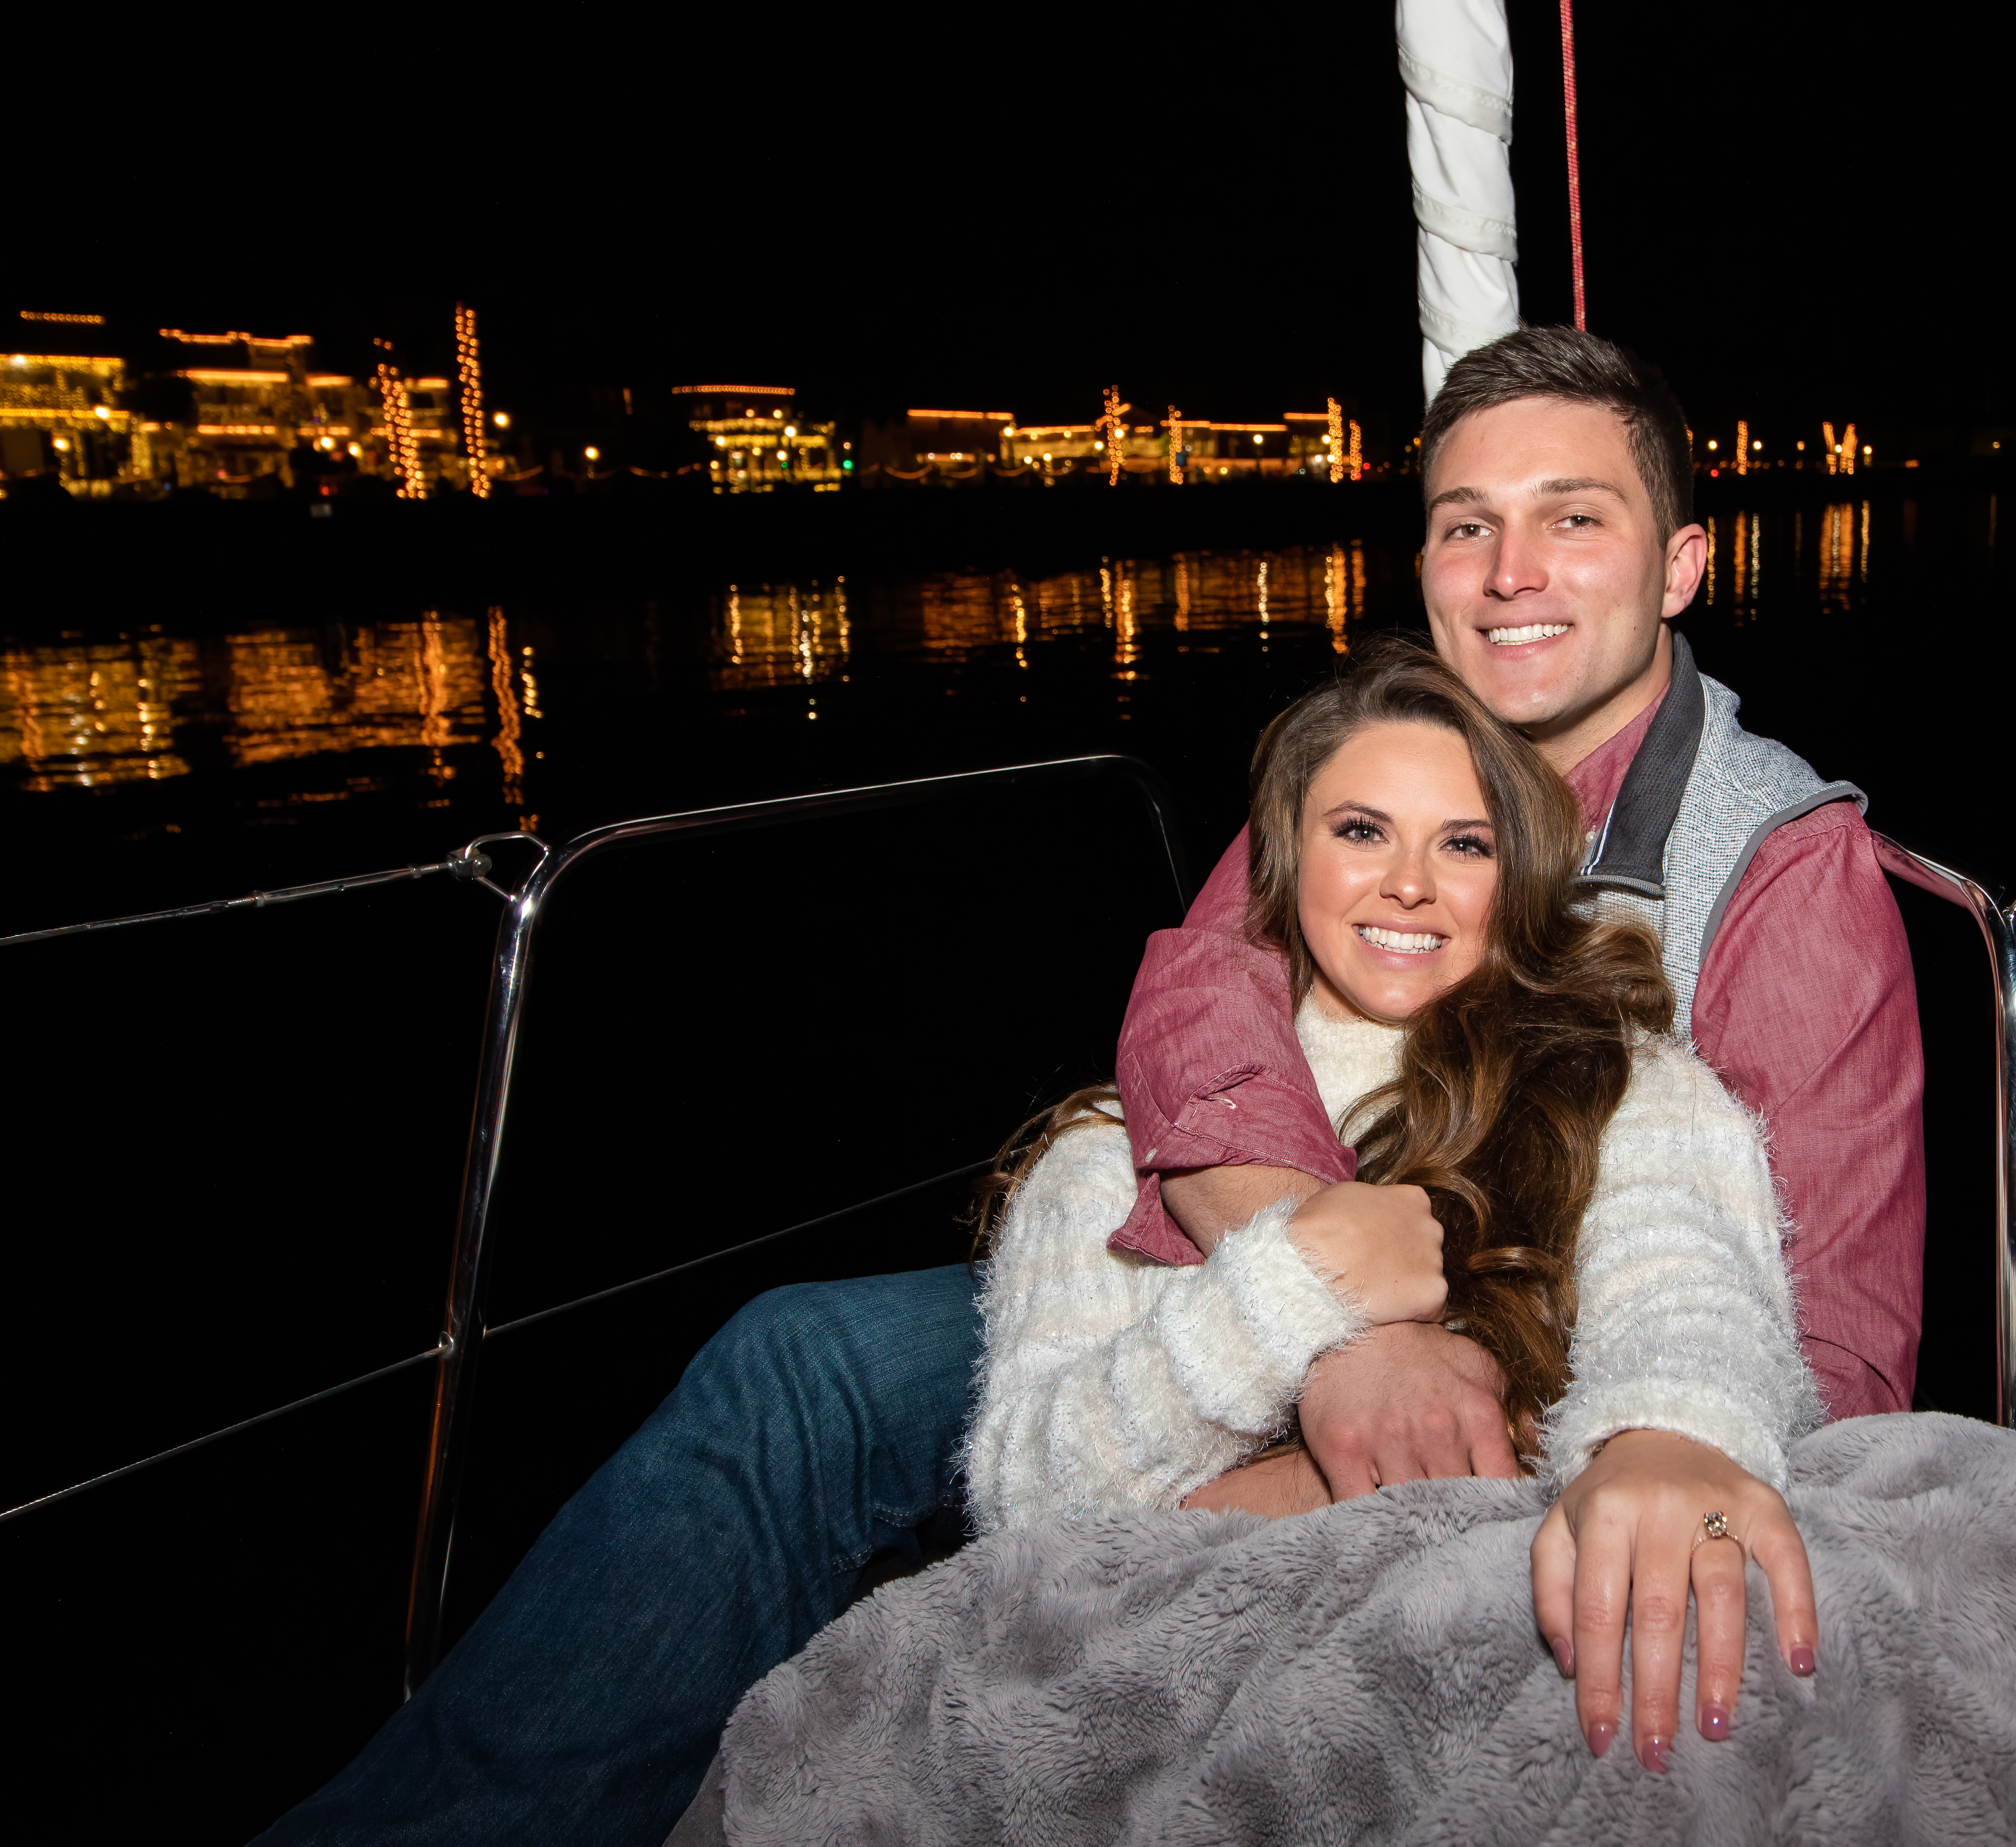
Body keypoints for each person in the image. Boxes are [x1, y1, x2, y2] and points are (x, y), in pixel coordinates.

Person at [258, 327, 1921, 1844]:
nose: (1508, 572)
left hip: (1553, 1364)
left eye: (1574, 518)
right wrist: (1342, 1315)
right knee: (797, 1363)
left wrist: (1518, 1419)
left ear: (1685, 561)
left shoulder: (1778, 866)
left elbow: (1830, 1345)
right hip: (1253, 1288)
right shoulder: (1387, 748)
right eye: (1462, 522)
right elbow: (1197, 1009)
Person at [966, 641, 1824, 1761]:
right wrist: (1295, 1285)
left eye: (1463, 845)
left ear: (1515, 881)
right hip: (1223, 1708)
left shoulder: (1624, 1084)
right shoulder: (1108, 1154)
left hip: (1536, 1672)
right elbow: (1028, 1505)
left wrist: (1666, 1440)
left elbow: (1689, 1295)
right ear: (1284, 859)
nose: (1408, 883)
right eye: (1361, 831)